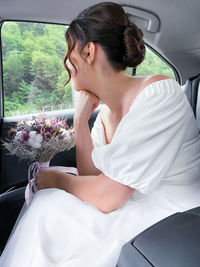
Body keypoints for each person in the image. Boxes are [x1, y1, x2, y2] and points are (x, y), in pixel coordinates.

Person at [1, 2, 200, 266]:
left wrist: (58, 181)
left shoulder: (159, 93)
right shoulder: (104, 114)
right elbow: (92, 178)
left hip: (172, 211)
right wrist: (81, 121)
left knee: (51, 207)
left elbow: (107, 197)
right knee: (48, 204)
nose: (65, 60)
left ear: (89, 51)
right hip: (127, 201)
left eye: (68, 49)